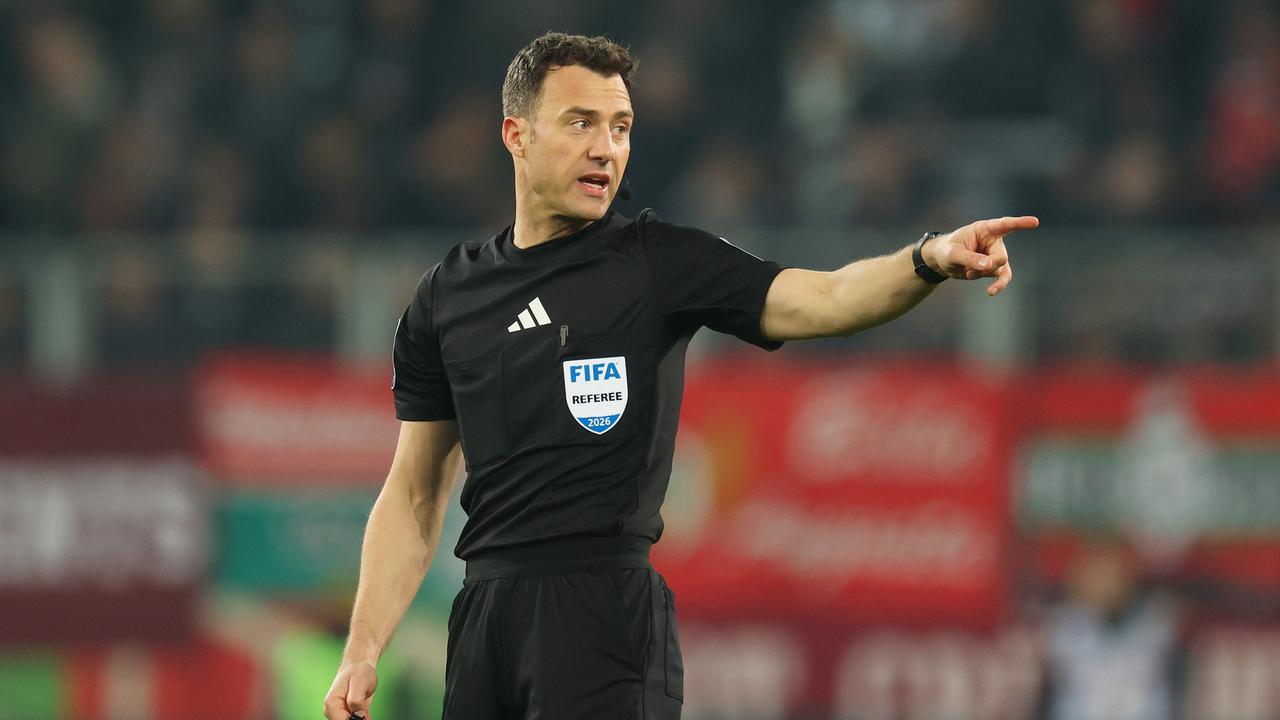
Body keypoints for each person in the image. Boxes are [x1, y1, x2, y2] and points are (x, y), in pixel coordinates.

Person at [322, 31, 1037, 720]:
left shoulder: (656, 261)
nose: (606, 148)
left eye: (621, 128)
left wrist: (927, 259)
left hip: (603, 618)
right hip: (482, 620)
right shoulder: (447, 296)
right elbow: (414, 492)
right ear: (517, 135)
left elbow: (823, 299)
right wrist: (362, 649)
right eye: (580, 123)